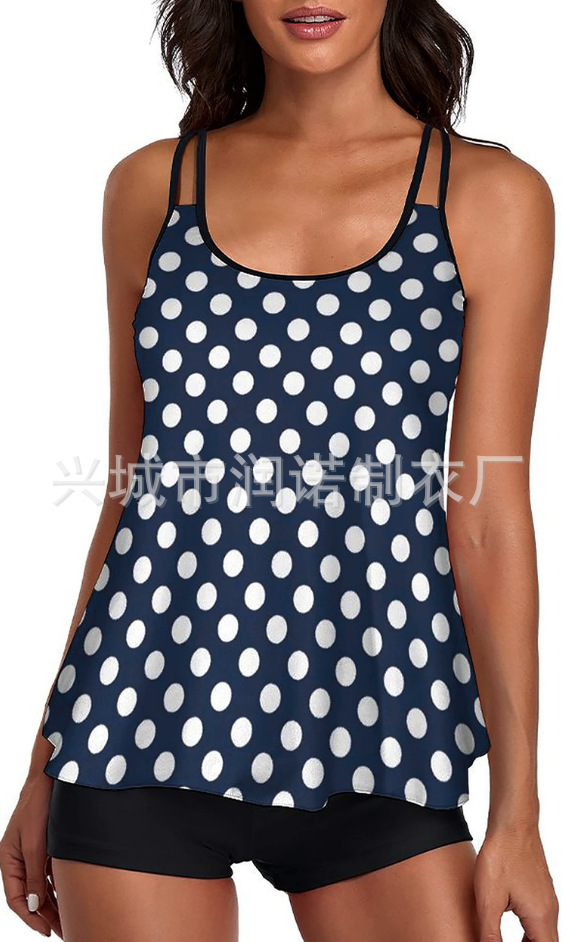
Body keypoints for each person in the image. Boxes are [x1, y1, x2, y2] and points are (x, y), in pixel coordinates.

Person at [0, 1, 560, 940]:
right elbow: (134, 497)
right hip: (135, 723)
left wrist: (519, 812)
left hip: (382, 727)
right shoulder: (152, 188)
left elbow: (488, 516)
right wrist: (45, 760)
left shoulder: (487, 196)